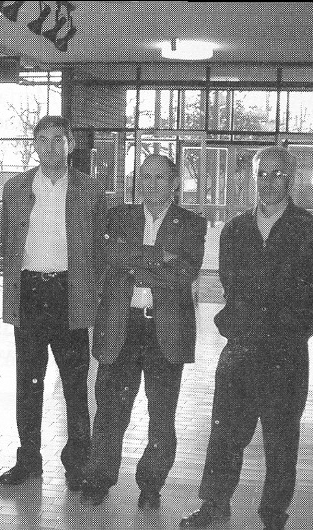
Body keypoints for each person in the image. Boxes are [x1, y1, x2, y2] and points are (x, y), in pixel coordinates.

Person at [180, 146, 313, 530]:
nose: (269, 182)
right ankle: (214, 503)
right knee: (225, 433)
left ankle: (273, 517)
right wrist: (237, 322)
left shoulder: (310, 232)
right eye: (263, 175)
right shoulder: (236, 230)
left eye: (277, 174)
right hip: (240, 349)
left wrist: (299, 327)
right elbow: (229, 282)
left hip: (286, 354)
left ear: (291, 179)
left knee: (281, 439)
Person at [82, 155, 207, 507]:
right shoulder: (118, 216)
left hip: (165, 330)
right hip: (121, 324)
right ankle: (100, 479)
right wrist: (159, 257)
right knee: (110, 410)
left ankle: (151, 485)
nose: (151, 184)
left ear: (174, 183)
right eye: (145, 177)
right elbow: (109, 255)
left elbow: (185, 273)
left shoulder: (192, 223)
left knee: (161, 415)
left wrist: (133, 261)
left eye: (160, 177)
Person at [0, 115, 106, 489]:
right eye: (42, 140)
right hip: (29, 293)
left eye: (57, 139)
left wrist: (91, 293)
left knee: (75, 384)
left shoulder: (91, 189)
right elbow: (8, 241)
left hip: (68, 294)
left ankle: (78, 462)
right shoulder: (14, 188)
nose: (49, 147)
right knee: (28, 383)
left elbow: (99, 247)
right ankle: (28, 459)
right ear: (35, 145)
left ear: (70, 144)